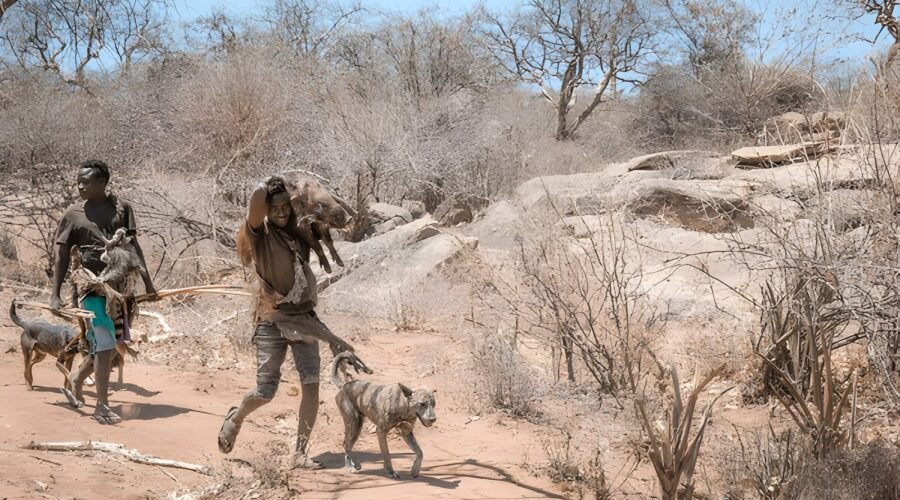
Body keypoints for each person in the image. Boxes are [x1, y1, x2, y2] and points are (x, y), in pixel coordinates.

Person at [218, 175, 368, 470]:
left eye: (286, 206)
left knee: (311, 385)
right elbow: (255, 202)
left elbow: (326, 217)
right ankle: (235, 418)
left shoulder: (300, 234)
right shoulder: (259, 235)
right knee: (265, 392)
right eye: (275, 208)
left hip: (304, 320)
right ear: (266, 211)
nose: (282, 212)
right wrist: (270, 183)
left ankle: (299, 454)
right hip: (272, 321)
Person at [50, 159, 157, 424]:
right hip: (89, 286)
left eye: (86, 181)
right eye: (78, 181)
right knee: (106, 340)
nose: (80, 186)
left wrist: (149, 283)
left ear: (102, 183)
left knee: (110, 344)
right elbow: (62, 257)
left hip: (119, 290)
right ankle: (102, 405)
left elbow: (134, 250)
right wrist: (54, 294)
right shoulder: (72, 215)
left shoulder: (122, 210)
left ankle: (76, 378)